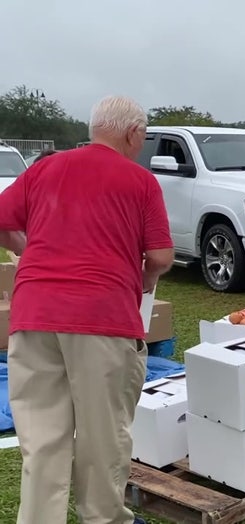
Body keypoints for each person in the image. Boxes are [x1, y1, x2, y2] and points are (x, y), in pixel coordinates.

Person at [0, 95, 174, 524]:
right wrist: (146, 281)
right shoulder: (140, 181)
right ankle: (104, 519)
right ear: (133, 134)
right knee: (102, 435)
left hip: (32, 318)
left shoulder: (44, 168)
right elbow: (162, 256)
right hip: (103, 320)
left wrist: (28, 256)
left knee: (41, 439)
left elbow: (3, 220)